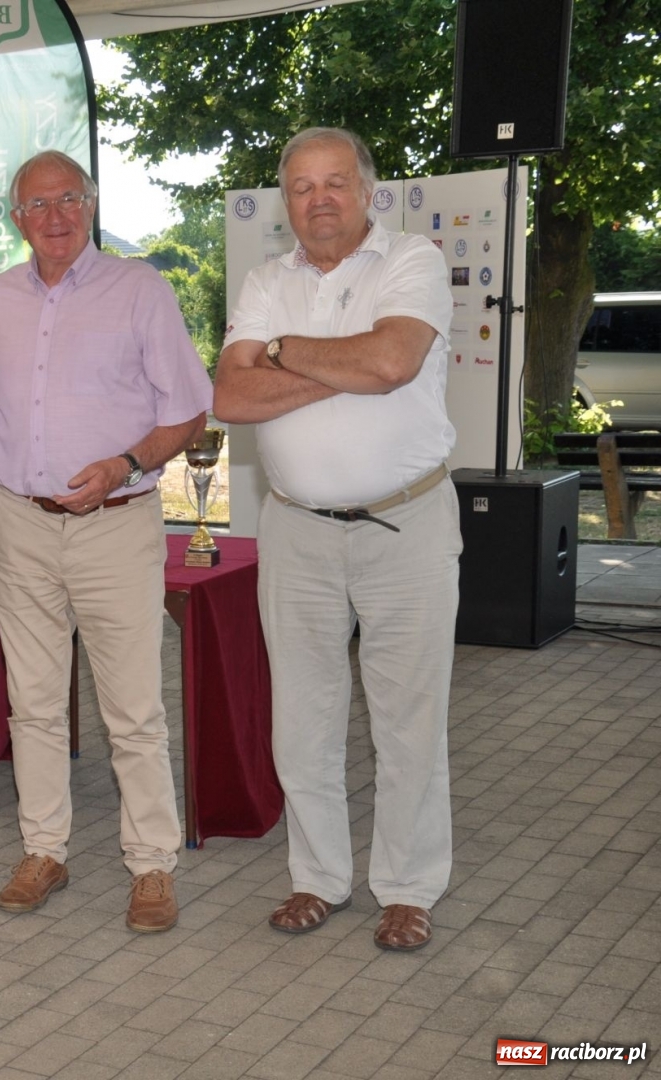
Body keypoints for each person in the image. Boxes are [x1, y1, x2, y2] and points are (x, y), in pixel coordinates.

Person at [214, 127, 459, 952]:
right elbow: (232, 398)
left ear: (367, 190)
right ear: (284, 200)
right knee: (303, 717)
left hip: (407, 525)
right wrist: (331, 369)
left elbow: (391, 361)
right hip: (296, 532)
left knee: (408, 718)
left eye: (335, 183)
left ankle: (407, 886)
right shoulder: (261, 279)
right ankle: (316, 879)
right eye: (300, 186)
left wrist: (280, 352)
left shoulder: (411, 262)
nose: (318, 199)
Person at [0, 150, 209, 932]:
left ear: (92, 201)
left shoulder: (139, 290)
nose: (56, 216)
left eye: (69, 198)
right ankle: (44, 849)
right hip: (20, 523)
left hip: (115, 524)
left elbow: (188, 414)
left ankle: (151, 866)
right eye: (37, 205)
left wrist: (125, 464)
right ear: (16, 220)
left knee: (132, 708)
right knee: (32, 704)